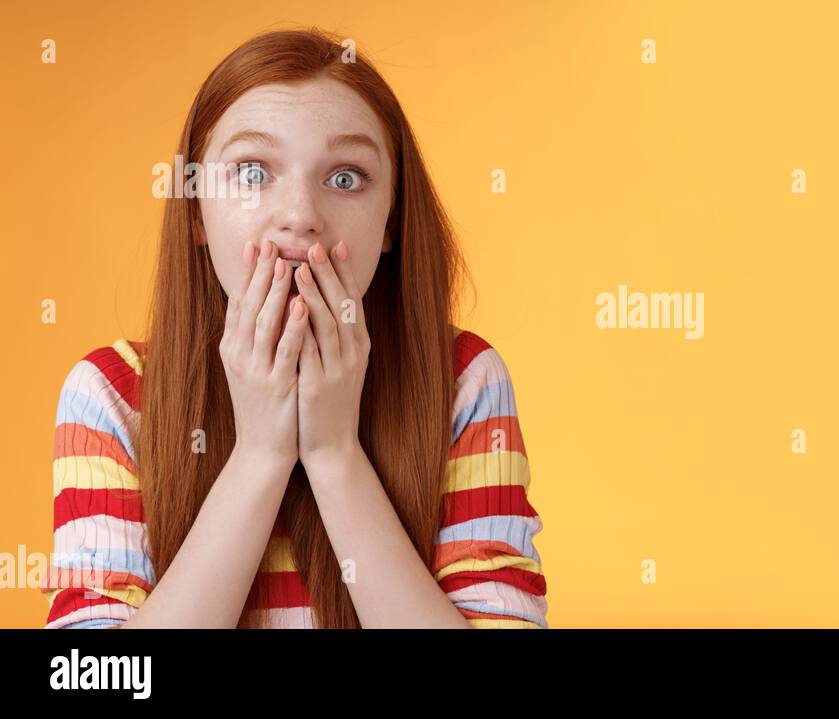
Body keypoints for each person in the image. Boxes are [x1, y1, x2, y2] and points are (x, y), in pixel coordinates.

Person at [40, 28, 547, 629]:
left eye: (346, 178)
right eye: (253, 172)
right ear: (196, 211)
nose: (302, 215)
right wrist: (261, 453)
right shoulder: (110, 395)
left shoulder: (467, 383)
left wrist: (335, 454)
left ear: (390, 222)